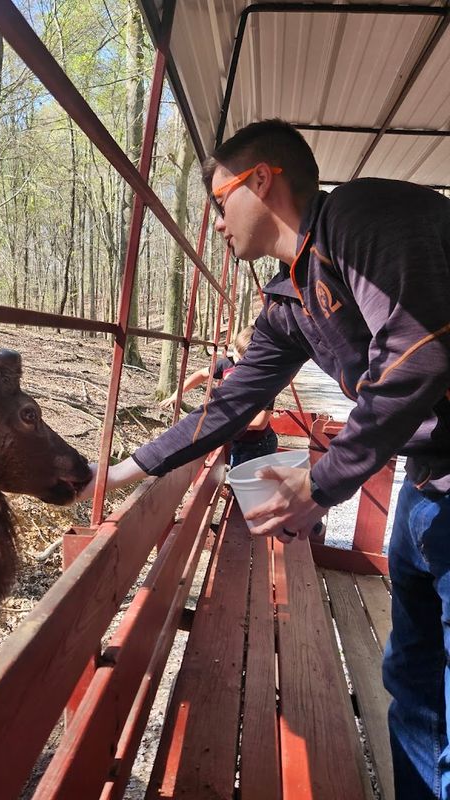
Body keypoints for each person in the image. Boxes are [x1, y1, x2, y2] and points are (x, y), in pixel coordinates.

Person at [77, 119, 450, 799]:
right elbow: (227, 405)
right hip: (427, 490)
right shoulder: (292, 298)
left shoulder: (362, 218)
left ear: (260, 180)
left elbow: (419, 355)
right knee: (414, 677)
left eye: (220, 201)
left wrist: (323, 482)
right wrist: (125, 470)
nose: (216, 222)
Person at [160, 324, 278, 467]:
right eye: (235, 355)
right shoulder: (228, 364)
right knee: (237, 478)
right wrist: (178, 394)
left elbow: (260, 423)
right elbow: (202, 374)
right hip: (238, 440)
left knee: (249, 484)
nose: (236, 362)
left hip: (259, 445)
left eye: (242, 360)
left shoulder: (265, 380)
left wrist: (226, 423)